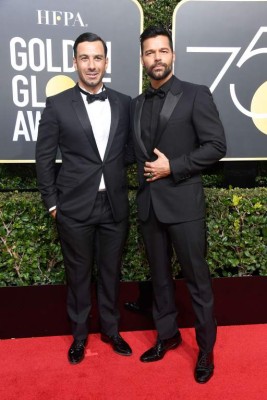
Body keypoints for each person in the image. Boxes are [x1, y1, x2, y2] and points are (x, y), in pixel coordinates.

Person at [130, 25, 227, 383]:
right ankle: (167, 335)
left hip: (185, 204)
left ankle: (205, 350)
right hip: (149, 206)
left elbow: (216, 145)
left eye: (163, 51)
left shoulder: (196, 95)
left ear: (173, 54)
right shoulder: (136, 105)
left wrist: (175, 166)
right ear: (142, 59)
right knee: (160, 280)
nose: (157, 58)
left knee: (198, 281)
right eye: (150, 52)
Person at [36, 32, 133, 365]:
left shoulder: (124, 102)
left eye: (97, 58)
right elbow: (44, 158)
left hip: (114, 204)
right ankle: (79, 336)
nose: (91, 65)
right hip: (74, 207)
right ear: (75, 62)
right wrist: (52, 203)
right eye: (85, 58)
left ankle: (111, 329)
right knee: (77, 275)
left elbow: (130, 152)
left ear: (106, 61)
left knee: (110, 272)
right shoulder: (57, 104)